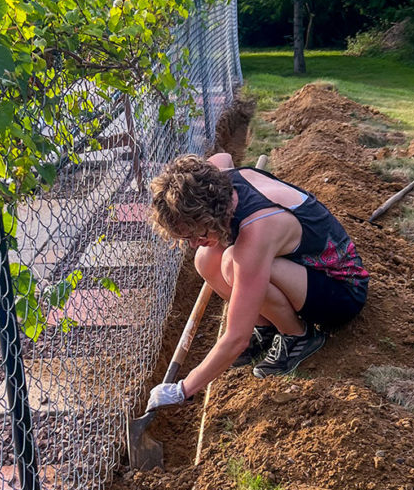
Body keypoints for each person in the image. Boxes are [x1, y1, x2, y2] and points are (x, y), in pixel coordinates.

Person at [145, 152, 368, 411]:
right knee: (205, 257)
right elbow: (222, 156)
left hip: (341, 291)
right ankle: (266, 329)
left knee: (232, 262)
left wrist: (182, 390)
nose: (193, 242)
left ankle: (298, 337)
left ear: (211, 211)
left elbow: (236, 337)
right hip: (304, 275)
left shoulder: (258, 228)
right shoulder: (218, 179)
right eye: (187, 238)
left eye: (197, 233)